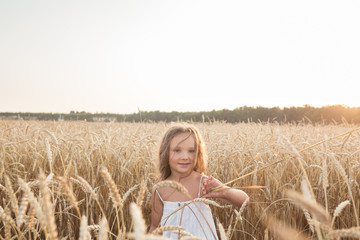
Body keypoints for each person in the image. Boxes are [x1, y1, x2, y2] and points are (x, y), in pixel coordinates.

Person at [149, 124, 249, 240]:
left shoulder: (204, 182)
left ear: (198, 154)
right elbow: (155, 227)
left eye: (191, 151)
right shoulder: (160, 190)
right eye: (177, 150)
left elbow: (244, 200)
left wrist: (223, 191)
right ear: (166, 153)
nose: (185, 156)